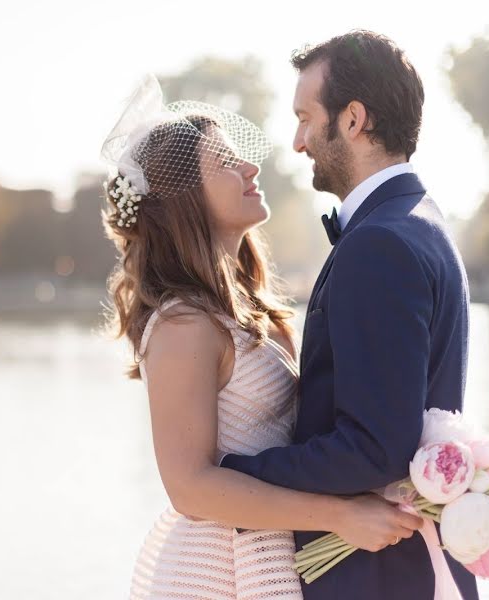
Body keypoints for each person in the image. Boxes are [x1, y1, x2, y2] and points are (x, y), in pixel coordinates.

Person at [101, 74, 422, 600]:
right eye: (225, 164)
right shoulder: (185, 324)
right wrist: (341, 515)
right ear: (187, 200)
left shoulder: (248, 310)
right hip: (212, 570)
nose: (250, 167)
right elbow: (189, 486)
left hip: (264, 553)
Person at [218, 31, 479, 600]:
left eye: (306, 118)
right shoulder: (422, 223)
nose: (297, 141)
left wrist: (235, 477)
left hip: (379, 577)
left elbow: (375, 447)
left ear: (354, 119)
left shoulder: (379, 243)